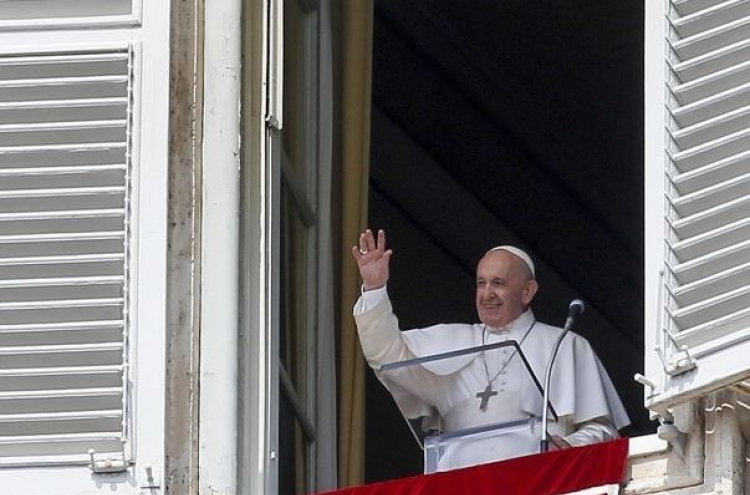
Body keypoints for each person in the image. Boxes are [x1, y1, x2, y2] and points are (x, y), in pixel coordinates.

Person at [351, 229, 630, 471]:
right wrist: (375, 288)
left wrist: (567, 445)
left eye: (498, 283)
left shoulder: (566, 345)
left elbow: (603, 431)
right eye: (481, 283)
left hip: (539, 482)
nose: (487, 294)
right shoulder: (454, 340)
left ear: (527, 291)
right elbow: (386, 355)